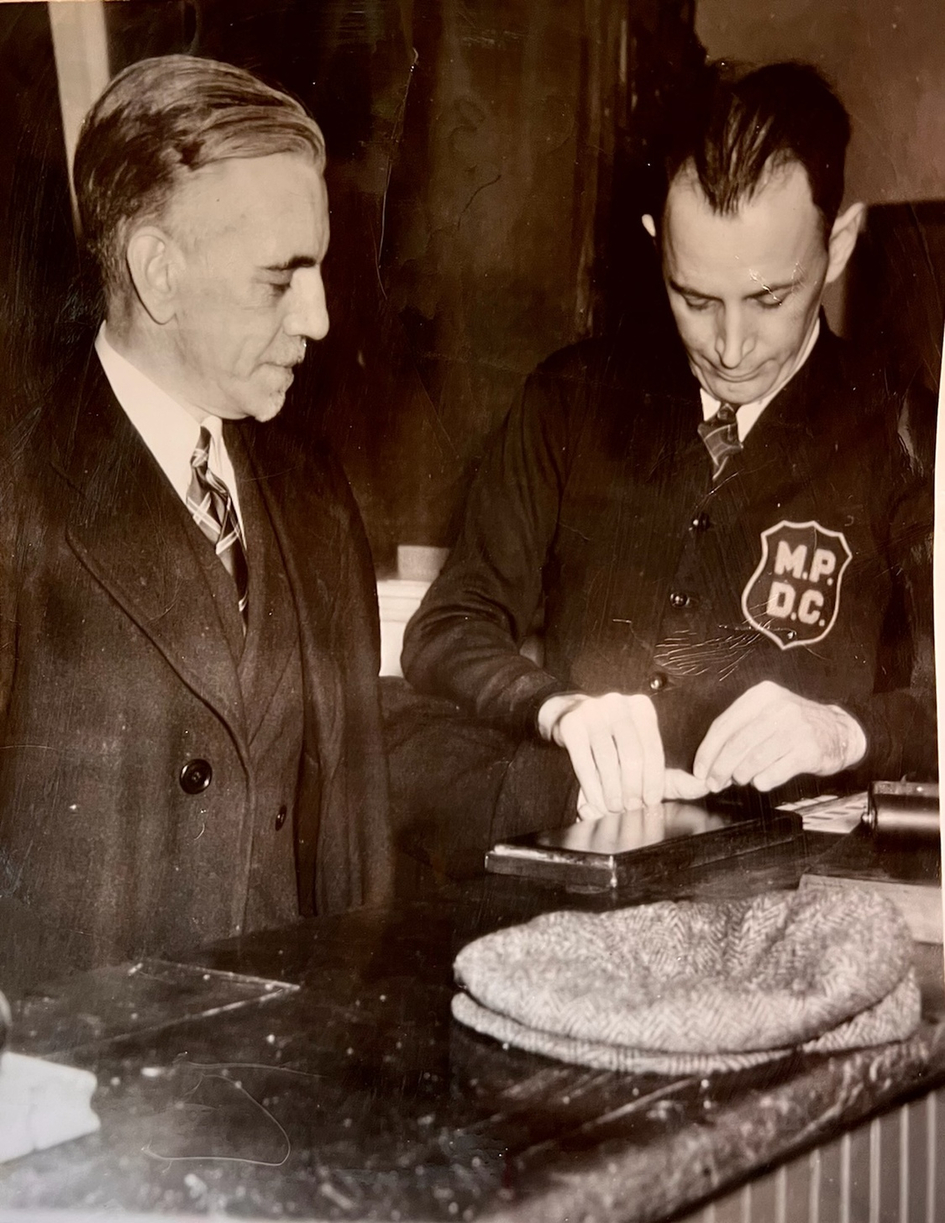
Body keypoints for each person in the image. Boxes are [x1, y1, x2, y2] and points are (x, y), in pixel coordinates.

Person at [398, 62, 935, 852]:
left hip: (796, 886)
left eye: (769, 298)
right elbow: (448, 627)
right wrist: (554, 708)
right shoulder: (569, 399)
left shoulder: (909, 433)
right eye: (694, 297)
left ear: (840, 243)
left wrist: (843, 731)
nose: (729, 346)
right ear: (657, 244)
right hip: (582, 863)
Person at [0, 55, 391, 986]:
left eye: (319, 269)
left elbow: (358, 849)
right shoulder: (17, 494)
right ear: (158, 274)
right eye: (279, 279)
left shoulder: (315, 499)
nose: (319, 317)